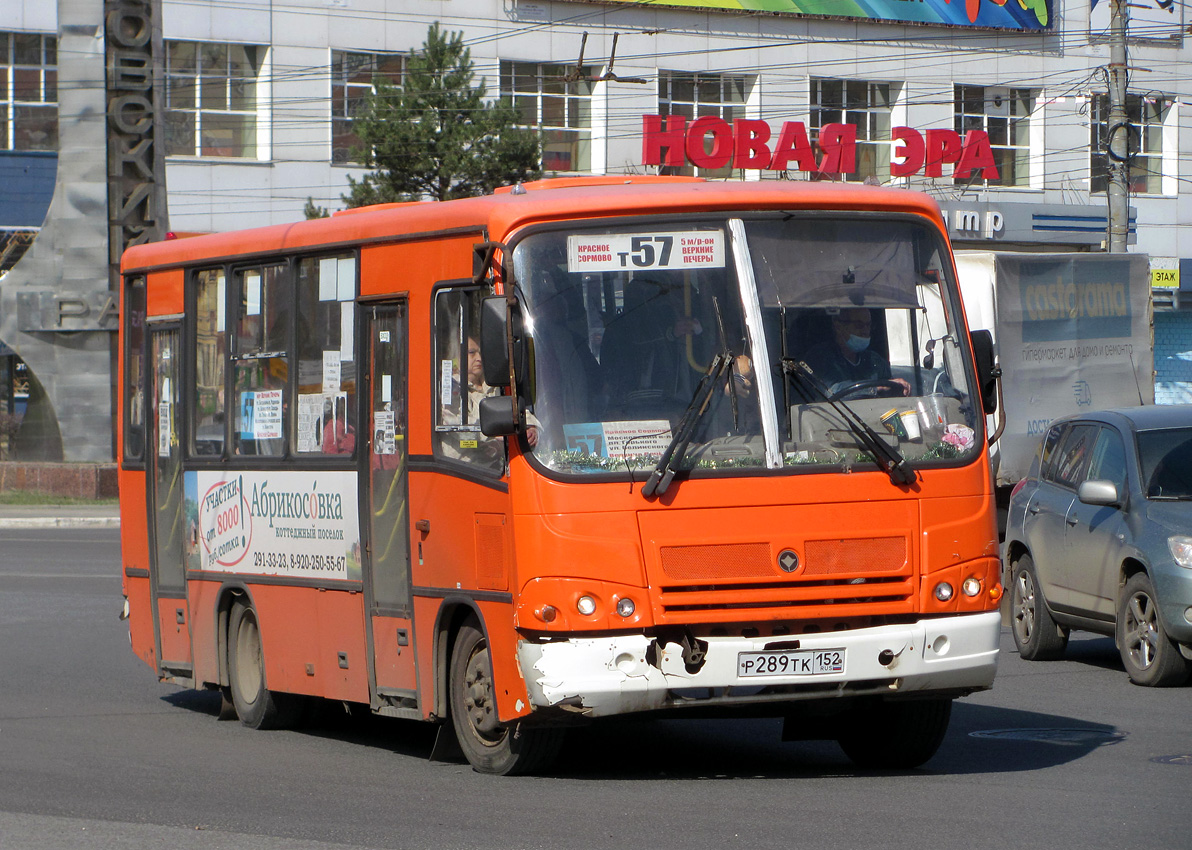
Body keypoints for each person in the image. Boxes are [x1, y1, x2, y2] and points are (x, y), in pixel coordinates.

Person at [800, 308, 907, 397]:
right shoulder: (820, 357)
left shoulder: (874, 360)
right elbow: (831, 391)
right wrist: (875, 388)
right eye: (859, 325)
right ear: (838, 326)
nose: (865, 331)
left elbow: (889, 388)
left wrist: (899, 387)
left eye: (868, 325)